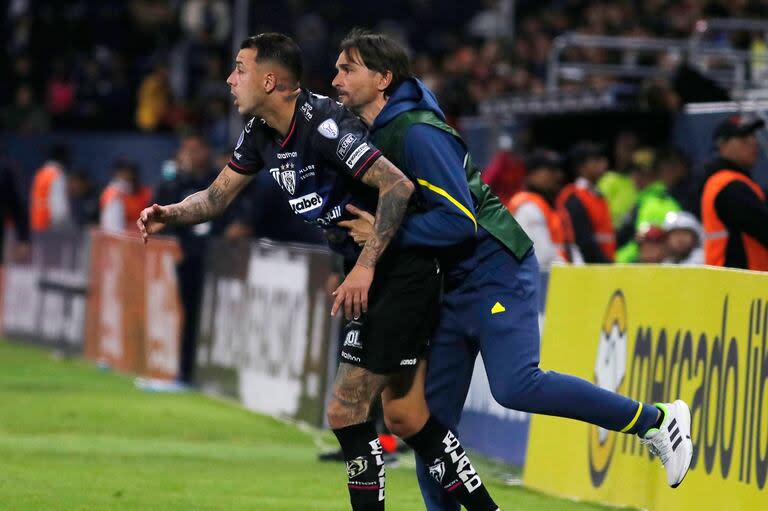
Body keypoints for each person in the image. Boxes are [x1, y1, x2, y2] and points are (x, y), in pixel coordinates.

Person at [331, 29, 693, 511]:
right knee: (429, 425)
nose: (335, 78)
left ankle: (656, 421)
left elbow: (458, 222)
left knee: (515, 384)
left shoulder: (416, 131)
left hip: (491, 266)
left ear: (382, 78)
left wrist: (381, 235)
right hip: (444, 284)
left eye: (347, 68)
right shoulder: (378, 133)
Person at [137, 33, 500, 511]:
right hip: (375, 270)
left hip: (400, 271)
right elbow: (216, 197)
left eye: (240, 69)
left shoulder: (325, 125)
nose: (229, 80)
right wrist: (171, 212)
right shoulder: (262, 132)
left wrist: (365, 268)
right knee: (407, 417)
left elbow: (397, 186)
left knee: (346, 410)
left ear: (270, 80)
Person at [701, 116, 768, 271]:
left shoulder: (736, 182)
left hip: (738, 282)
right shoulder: (728, 185)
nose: (753, 142)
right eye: (743, 137)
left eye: (753, 136)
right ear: (722, 145)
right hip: (738, 284)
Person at [506, 149, 581, 271]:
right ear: (531, 175)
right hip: (544, 283)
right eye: (550, 171)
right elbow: (543, 258)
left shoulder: (554, 207)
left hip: (561, 279)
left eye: (558, 170)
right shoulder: (527, 208)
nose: (558, 175)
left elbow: (571, 249)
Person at [557, 142, 616, 263]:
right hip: (588, 268)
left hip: (603, 266)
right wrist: (607, 265)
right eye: (595, 160)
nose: (603, 164)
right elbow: (583, 241)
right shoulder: (574, 196)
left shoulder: (598, 196)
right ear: (581, 167)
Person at [99, 158, 152, 233]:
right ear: (117, 173)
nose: (127, 175)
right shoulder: (113, 195)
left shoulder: (143, 192)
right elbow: (113, 229)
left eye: (130, 172)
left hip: (140, 237)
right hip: (124, 239)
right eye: (123, 172)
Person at [29, 144, 72, 232]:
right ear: (62, 157)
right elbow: (59, 209)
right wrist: (67, 229)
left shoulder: (40, 174)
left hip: (36, 225)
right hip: (50, 227)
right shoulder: (56, 175)